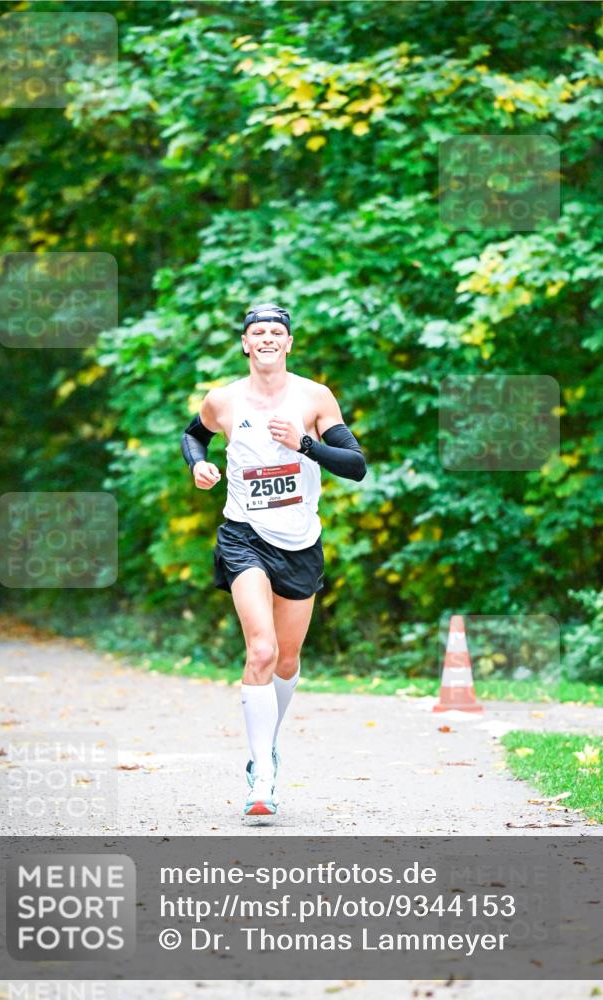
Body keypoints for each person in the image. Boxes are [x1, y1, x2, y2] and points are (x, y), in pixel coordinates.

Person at [181, 303, 366, 818]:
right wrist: (199, 465)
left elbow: (356, 466)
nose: (266, 338)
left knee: (286, 660)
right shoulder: (223, 400)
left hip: (301, 542)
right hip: (244, 536)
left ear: (288, 343)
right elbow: (193, 436)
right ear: (245, 343)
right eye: (257, 331)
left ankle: (270, 743)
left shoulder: (314, 397)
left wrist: (305, 444)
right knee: (260, 651)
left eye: (276, 332)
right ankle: (262, 775)